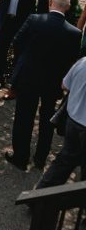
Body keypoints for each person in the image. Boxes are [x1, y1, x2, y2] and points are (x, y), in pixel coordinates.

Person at [5, 0, 80, 172]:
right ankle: (40, 159)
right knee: (47, 120)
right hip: (52, 81)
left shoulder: (34, 20)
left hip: (29, 77)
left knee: (24, 118)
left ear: (49, 3)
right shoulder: (74, 33)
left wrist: (24, 60)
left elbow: (17, 42)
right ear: (68, 8)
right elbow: (72, 60)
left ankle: (21, 157)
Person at [38, 55, 86, 188]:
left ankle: (41, 197)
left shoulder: (83, 61)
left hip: (73, 120)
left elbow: (64, 85)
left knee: (64, 160)